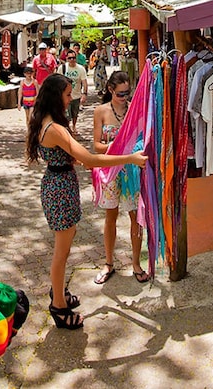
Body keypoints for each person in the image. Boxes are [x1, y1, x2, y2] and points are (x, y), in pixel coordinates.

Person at [25, 73, 147, 329]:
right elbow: (90, 158)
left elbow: (74, 157)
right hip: (60, 189)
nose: (71, 99)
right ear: (56, 96)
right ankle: (58, 306)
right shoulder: (55, 128)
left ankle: (59, 292)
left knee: (65, 246)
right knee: (61, 252)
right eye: (68, 95)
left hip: (59, 184)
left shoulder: (46, 122)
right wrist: (129, 159)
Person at [92, 71, 148, 284]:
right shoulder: (101, 111)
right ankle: (108, 262)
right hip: (110, 171)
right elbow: (96, 145)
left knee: (136, 217)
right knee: (111, 217)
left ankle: (136, 263)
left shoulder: (135, 110)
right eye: (120, 94)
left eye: (127, 93)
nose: (124, 98)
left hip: (131, 172)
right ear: (110, 90)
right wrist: (118, 148)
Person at [57, 49, 89, 134]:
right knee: (67, 115)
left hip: (76, 95)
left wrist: (84, 94)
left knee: (75, 114)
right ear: (67, 58)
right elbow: (57, 80)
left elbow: (84, 82)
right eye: (70, 58)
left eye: (74, 58)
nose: (72, 60)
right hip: (65, 96)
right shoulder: (62, 68)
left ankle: (74, 126)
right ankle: (67, 129)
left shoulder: (80, 69)